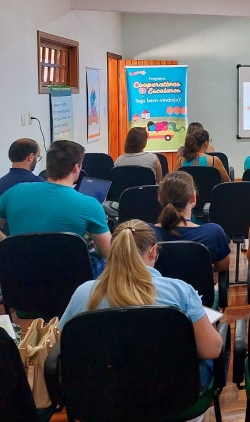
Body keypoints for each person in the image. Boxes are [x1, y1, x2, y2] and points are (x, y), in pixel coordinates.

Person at [60, 220, 222, 393]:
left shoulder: (82, 294)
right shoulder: (179, 291)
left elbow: (63, 346)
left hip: (104, 396)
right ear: (153, 251)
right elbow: (211, 349)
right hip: (172, 394)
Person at [0, 140, 111, 277]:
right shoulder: (90, 205)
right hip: (69, 285)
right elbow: (108, 252)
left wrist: (8, 244)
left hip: (19, 280)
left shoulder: (13, 192)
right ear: (76, 168)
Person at [153, 171, 231, 272]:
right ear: (193, 198)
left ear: (160, 199)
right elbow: (222, 267)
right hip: (200, 288)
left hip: (160, 288)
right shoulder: (214, 233)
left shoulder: (147, 234)